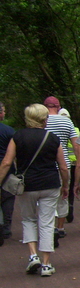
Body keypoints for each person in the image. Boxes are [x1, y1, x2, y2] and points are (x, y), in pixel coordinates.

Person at [0, 104, 69, 276]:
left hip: (27, 185)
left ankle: (33, 256)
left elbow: (7, 162)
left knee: (28, 219)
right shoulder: (53, 138)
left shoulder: (18, 136)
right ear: (43, 119)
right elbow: (63, 167)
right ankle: (46, 264)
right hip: (50, 184)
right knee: (46, 223)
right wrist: (65, 185)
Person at [43, 96, 78, 239]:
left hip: (46, 165)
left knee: (47, 198)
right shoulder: (67, 121)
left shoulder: (41, 122)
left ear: (45, 107)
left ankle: (49, 227)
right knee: (63, 195)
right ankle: (61, 227)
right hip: (65, 165)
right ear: (58, 107)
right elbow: (76, 144)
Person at [58, 107, 80, 223]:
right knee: (70, 188)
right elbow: (78, 146)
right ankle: (70, 208)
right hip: (74, 163)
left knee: (62, 188)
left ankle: (60, 216)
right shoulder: (75, 130)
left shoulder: (55, 129)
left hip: (63, 163)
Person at [0, 101, 15, 245]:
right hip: (7, 169)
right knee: (8, 198)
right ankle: (5, 228)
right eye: (3, 111)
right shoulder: (9, 131)